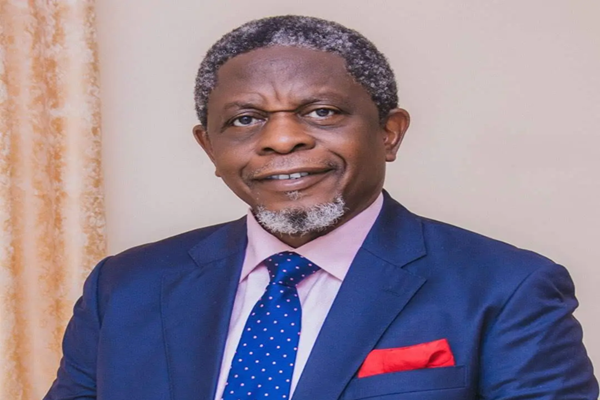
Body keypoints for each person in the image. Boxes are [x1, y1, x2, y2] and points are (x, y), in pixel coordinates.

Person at [45, 15, 597, 400]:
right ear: (209, 147)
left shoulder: (506, 289)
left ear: (389, 132)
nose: (282, 140)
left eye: (322, 112)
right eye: (245, 119)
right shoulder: (125, 288)